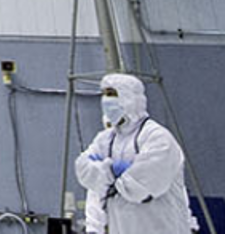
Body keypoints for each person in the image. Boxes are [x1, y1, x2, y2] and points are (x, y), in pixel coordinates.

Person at [75, 73, 194, 234]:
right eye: (104, 94)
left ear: (129, 98)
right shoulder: (106, 140)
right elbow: (84, 170)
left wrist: (105, 177)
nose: (106, 101)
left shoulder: (157, 138)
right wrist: (115, 171)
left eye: (112, 94)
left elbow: (140, 188)